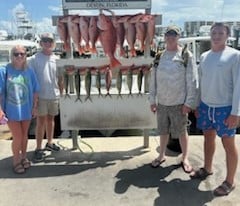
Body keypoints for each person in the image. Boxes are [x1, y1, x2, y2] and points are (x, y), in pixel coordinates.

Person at [190, 22, 240, 196]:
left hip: (225, 109)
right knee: (208, 139)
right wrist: (197, 104)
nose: (216, 36)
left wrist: (236, 112)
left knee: (229, 145)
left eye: (220, 33)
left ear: (227, 35)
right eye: (214, 32)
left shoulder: (235, 55)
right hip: (205, 106)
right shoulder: (204, 56)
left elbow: (239, 86)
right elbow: (200, 83)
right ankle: (207, 168)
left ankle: (230, 181)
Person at [149, 25, 198, 173]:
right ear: (164, 37)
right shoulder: (159, 56)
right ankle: (161, 155)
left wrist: (189, 103)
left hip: (179, 103)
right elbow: (153, 80)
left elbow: (192, 80)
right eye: (168, 34)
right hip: (162, 102)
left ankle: (185, 158)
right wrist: (152, 100)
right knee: (163, 131)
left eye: (174, 34)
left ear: (178, 37)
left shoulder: (185, 55)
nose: (170, 37)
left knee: (182, 132)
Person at [0, 45, 39, 174]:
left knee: (24, 136)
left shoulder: (29, 71)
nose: (19, 56)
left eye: (22, 54)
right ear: (12, 56)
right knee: (17, 137)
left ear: (25, 56)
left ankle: (24, 157)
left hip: (26, 109)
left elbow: (35, 90)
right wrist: (0, 110)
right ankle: (16, 161)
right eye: (16, 54)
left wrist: (34, 107)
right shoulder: (4, 70)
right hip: (11, 111)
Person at [29, 33, 64, 162]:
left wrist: (61, 93)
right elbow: (31, 79)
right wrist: (34, 98)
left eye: (50, 40)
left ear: (53, 43)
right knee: (40, 122)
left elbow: (60, 78)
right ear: (41, 43)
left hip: (54, 95)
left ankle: (49, 142)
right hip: (40, 96)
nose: (47, 43)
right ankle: (38, 148)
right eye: (45, 40)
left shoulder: (57, 58)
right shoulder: (34, 59)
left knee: (51, 120)